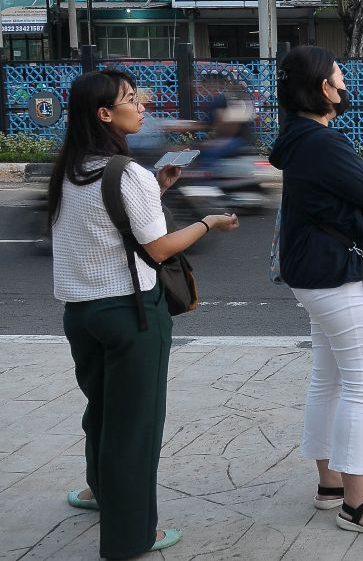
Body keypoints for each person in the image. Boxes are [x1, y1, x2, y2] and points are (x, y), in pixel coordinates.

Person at [50, 70, 239, 559]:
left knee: (104, 410)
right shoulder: (124, 172)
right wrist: (207, 221)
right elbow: (157, 248)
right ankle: (131, 536)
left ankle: (98, 490)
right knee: (135, 428)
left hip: (81, 313)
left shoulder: (71, 168)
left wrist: (156, 187)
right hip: (132, 313)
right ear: (105, 115)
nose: (141, 105)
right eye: (130, 99)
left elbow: (104, 224)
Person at [268, 45, 363, 539]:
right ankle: (357, 500)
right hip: (334, 274)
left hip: (312, 271)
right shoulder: (321, 142)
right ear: (322, 89)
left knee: (328, 377)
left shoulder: (300, 137)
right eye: (339, 78)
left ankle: (331, 481)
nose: (345, 85)